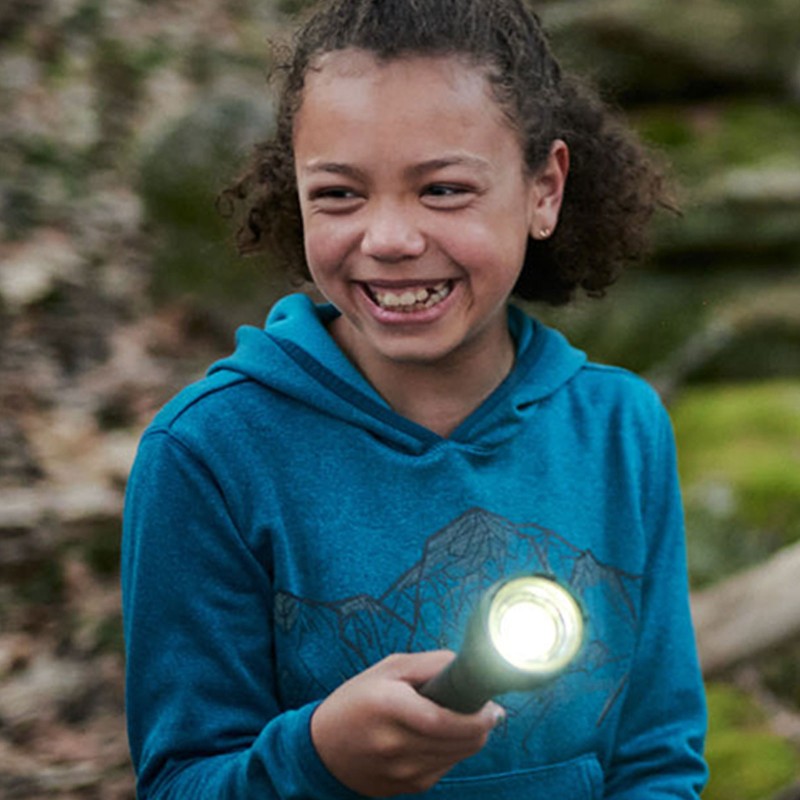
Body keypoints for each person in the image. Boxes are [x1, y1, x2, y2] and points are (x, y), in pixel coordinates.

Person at [121, 0, 708, 797]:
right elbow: (179, 779)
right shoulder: (208, 454)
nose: (389, 238)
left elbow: (657, 759)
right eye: (339, 194)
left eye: (443, 189)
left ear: (544, 190)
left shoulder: (619, 431)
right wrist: (316, 759)